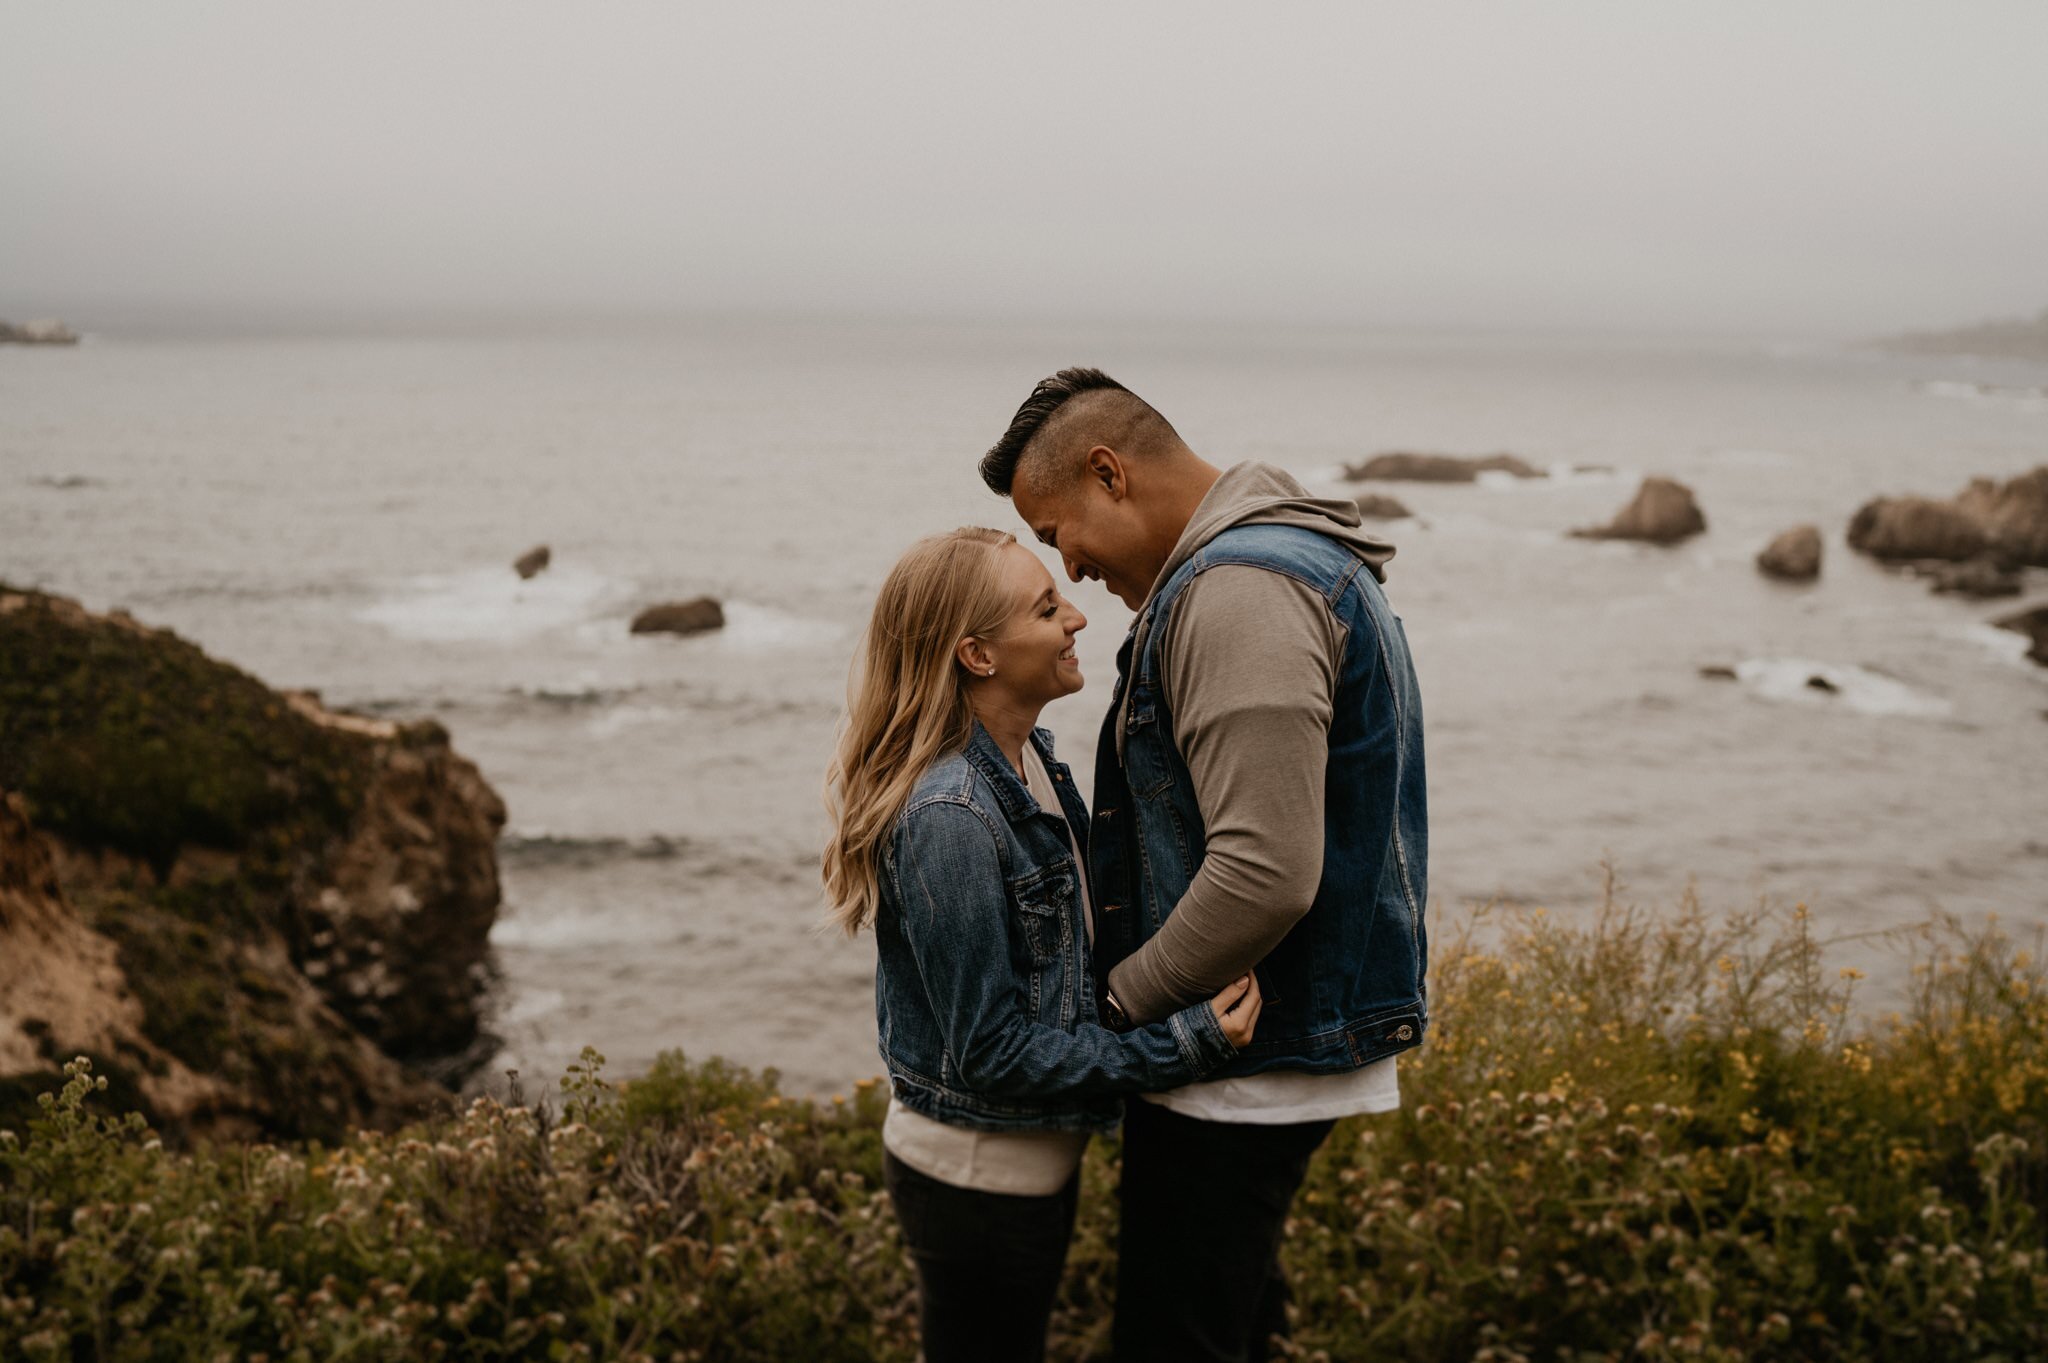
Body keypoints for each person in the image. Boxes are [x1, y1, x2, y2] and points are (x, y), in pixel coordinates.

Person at [978, 368, 1430, 1363]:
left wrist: (1116, 1003)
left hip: (1235, 1062)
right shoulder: (1275, 562)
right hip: (1251, 1049)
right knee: (1229, 1329)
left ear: (1108, 473)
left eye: (1058, 533)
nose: (1072, 570)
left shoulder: (1238, 594)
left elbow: (1263, 871)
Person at [822, 525, 1263, 1363]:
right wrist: (1181, 1045)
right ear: (978, 655)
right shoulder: (950, 816)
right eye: (1046, 606)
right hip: (978, 1179)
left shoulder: (1030, 761)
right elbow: (991, 1052)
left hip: (1023, 1168)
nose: (1078, 619)